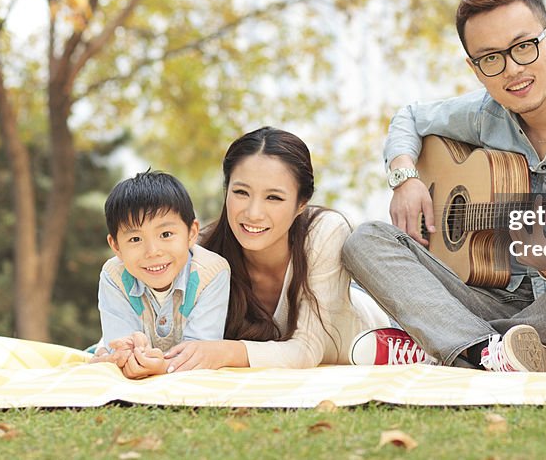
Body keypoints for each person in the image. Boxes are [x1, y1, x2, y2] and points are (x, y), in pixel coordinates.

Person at [342, 0, 546, 372]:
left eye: (524, 47)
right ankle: (489, 353)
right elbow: (410, 117)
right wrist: (405, 177)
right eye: (491, 58)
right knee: (365, 240)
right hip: (498, 299)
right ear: (475, 67)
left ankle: (457, 345)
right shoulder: (486, 113)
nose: (512, 70)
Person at [161, 127, 389, 371]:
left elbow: (306, 351)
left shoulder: (324, 231)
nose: (253, 213)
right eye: (241, 192)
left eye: (274, 198)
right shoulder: (204, 249)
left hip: (380, 336)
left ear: (301, 203)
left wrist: (226, 351)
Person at [91, 170, 231, 379]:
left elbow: (200, 348)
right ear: (116, 246)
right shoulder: (114, 276)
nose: (153, 251)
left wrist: (163, 367)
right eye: (135, 239)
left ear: (192, 233)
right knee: (99, 363)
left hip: (173, 362)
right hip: (122, 352)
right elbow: (121, 347)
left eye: (166, 234)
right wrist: (123, 354)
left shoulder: (212, 272)